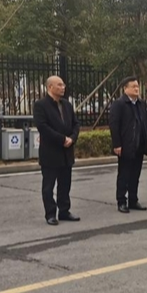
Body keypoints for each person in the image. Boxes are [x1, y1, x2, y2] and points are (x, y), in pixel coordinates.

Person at [33, 75, 81, 226]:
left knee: (65, 184)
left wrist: (72, 138)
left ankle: (64, 211)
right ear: (50, 87)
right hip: (50, 153)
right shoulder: (40, 105)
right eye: (59, 85)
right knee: (48, 186)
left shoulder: (67, 105)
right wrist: (62, 139)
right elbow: (43, 127)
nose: (63, 87)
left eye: (63, 85)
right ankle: (50, 214)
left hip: (67, 153)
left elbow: (76, 124)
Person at [109, 76, 147, 213]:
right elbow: (114, 125)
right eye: (133, 86)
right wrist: (117, 144)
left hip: (139, 144)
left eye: (137, 86)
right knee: (124, 175)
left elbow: (145, 122)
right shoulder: (119, 104)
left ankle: (133, 200)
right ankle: (121, 201)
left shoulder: (141, 104)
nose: (136, 89)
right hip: (126, 145)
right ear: (125, 89)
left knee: (135, 175)